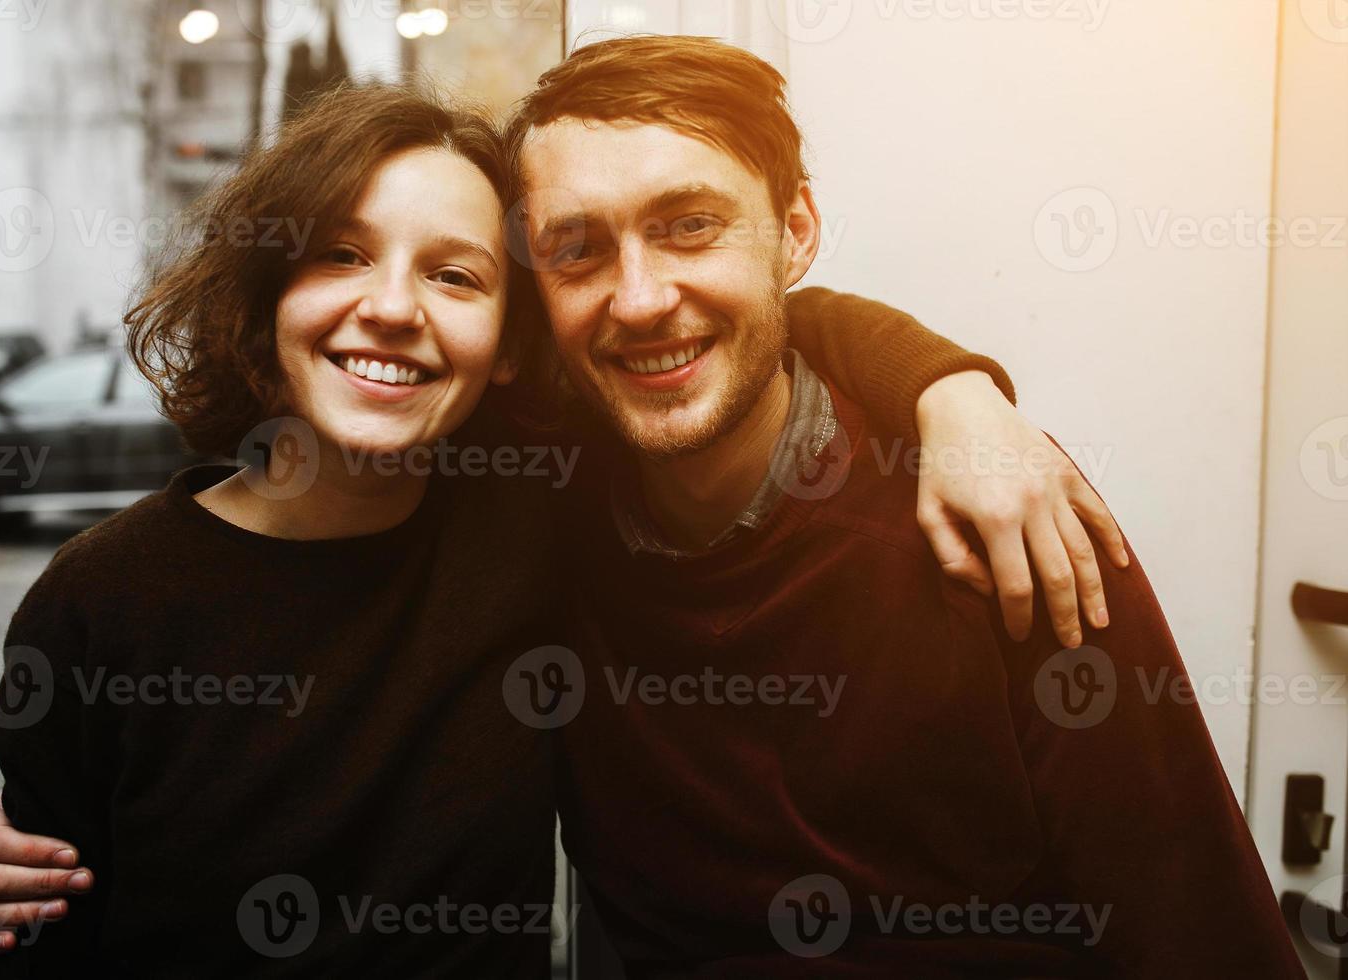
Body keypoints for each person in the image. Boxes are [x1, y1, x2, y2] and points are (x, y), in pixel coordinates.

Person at [0, 72, 1126, 973]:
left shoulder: (538, 502)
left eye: (457, 276)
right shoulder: (102, 598)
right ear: (265, 300)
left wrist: (958, 392)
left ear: (514, 342)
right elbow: (15, 919)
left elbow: (750, 314)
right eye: (341, 254)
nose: (392, 307)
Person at [501, 36, 1302, 976]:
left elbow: (1198, 929)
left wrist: (953, 392)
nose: (637, 299)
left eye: (690, 226)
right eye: (578, 249)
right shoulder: (533, 518)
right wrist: (943, 378)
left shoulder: (999, 516)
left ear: (795, 232)